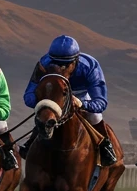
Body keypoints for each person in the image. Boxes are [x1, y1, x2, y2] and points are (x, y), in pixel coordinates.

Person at [22, 36, 117, 167]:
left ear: (75, 61)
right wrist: (45, 102)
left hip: (81, 97)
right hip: (55, 99)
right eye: (55, 63)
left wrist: (83, 104)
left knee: (95, 116)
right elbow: (28, 96)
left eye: (65, 65)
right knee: (44, 115)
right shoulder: (43, 64)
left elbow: (101, 102)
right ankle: (29, 145)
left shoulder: (90, 66)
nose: (60, 69)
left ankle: (105, 147)